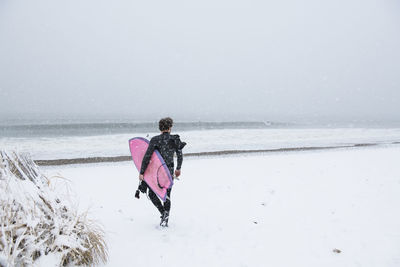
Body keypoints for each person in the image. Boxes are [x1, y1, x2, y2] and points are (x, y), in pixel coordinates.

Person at [138, 117, 186, 226]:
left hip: (157, 172)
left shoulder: (155, 140)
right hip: (168, 171)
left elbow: (147, 157)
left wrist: (142, 172)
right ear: (170, 127)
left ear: (160, 128)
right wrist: (178, 168)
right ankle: (165, 217)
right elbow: (180, 155)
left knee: (151, 194)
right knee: (167, 195)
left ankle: (162, 212)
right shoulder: (174, 139)